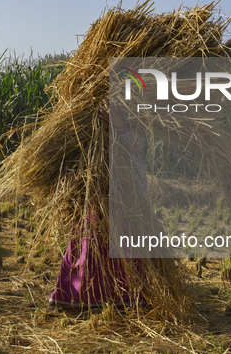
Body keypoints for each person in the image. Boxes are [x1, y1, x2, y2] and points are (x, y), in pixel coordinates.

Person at [48, 99, 146, 308]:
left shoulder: (137, 114)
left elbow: (137, 146)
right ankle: (82, 295)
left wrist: (118, 124)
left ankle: (124, 295)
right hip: (97, 187)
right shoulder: (86, 123)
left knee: (124, 239)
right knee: (92, 237)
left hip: (127, 193)